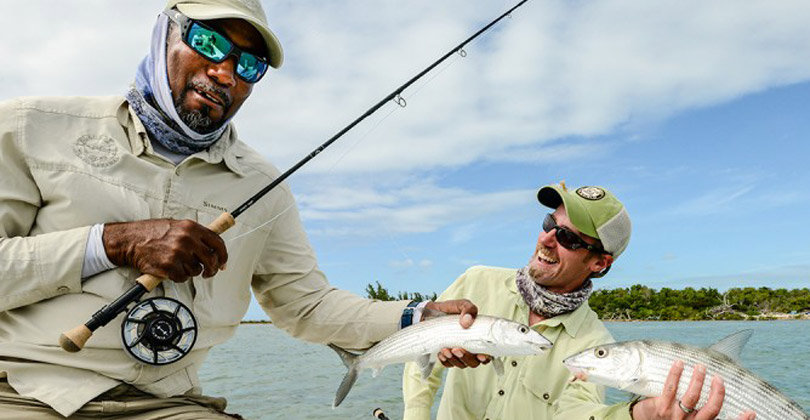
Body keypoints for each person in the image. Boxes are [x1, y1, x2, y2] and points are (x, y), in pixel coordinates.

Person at [0, 1, 479, 418]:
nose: (225, 73)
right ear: (165, 33)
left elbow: (306, 305)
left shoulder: (262, 184)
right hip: (23, 391)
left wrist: (418, 317)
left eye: (249, 66)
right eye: (209, 42)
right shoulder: (29, 126)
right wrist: (111, 243)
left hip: (169, 404)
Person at [401, 183, 756, 420]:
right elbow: (421, 353)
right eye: (549, 223)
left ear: (599, 263)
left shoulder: (595, 344)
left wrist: (636, 415)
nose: (547, 239)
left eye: (568, 238)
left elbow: (578, 412)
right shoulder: (475, 281)